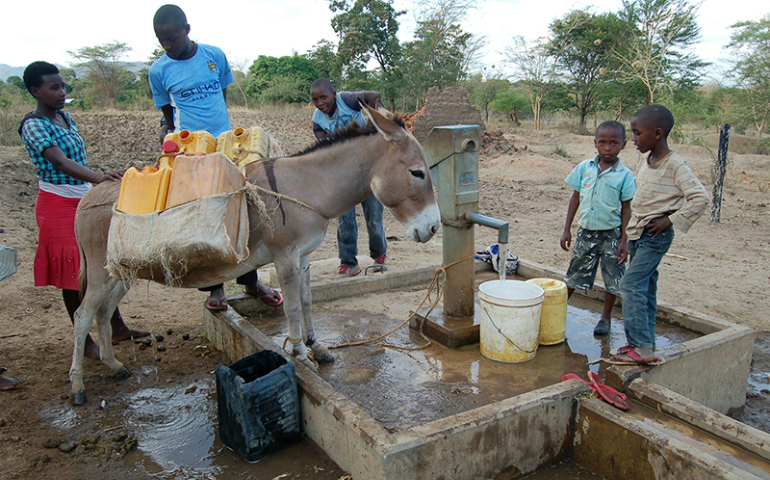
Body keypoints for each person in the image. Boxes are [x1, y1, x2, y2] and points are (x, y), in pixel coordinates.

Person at [149, 4, 282, 311]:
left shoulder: (214, 56)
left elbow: (220, 99)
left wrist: (220, 135)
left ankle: (250, 282)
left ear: (187, 29)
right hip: (192, 153)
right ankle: (214, 289)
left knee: (240, 211)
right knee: (204, 219)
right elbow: (168, 118)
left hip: (228, 147)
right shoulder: (158, 71)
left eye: (172, 38)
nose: (167, 45)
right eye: (161, 40)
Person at [19, 61, 149, 360]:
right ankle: (86, 337)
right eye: (54, 88)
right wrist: (99, 177)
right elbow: (60, 162)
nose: (61, 92)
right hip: (58, 202)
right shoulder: (34, 124)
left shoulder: (64, 118)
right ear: (35, 91)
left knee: (102, 263)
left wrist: (96, 181)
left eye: (63, 85)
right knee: (74, 272)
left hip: (82, 198)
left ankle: (116, 327)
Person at [609, 104, 709, 365]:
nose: (633, 140)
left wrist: (670, 220)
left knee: (630, 284)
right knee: (646, 287)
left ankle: (640, 348)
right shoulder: (647, 159)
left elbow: (700, 198)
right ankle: (646, 344)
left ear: (657, 133)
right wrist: (627, 237)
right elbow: (640, 199)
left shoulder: (675, 165)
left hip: (656, 236)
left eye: (636, 133)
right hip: (639, 234)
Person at [561, 121, 636, 337]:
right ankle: (557, 310)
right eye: (603, 142)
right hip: (586, 231)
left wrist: (624, 239)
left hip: (611, 233)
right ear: (595, 143)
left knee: (613, 277)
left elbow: (626, 208)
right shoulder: (585, 168)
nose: (608, 148)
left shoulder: (624, 175)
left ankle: (605, 318)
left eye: (614, 143)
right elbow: (575, 198)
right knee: (575, 272)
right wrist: (567, 229)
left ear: (623, 145)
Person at [309, 78, 387, 278]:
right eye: (315, 99)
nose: (320, 103)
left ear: (334, 95)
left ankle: (379, 257)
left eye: (324, 97)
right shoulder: (318, 120)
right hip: (344, 173)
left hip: (369, 167)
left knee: (373, 218)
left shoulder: (347, 100)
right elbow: (329, 146)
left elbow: (373, 95)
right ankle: (349, 263)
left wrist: (379, 116)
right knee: (345, 220)